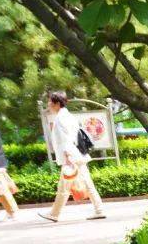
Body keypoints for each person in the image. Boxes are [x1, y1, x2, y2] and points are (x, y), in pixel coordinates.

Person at [39, 91, 106, 222]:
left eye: (50, 102)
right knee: (86, 184)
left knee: (64, 187)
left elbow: (67, 138)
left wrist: (68, 155)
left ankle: (54, 214)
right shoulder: (66, 116)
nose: (48, 104)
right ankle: (99, 210)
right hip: (76, 156)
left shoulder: (61, 118)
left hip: (71, 156)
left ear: (57, 104)